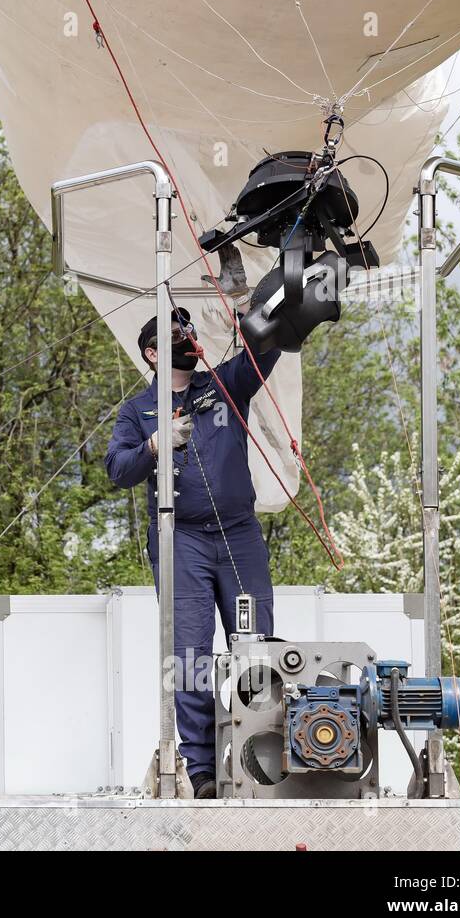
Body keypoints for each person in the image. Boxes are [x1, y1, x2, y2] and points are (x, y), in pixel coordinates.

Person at [104, 309, 283, 798]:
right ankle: (202, 771)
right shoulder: (137, 409)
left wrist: (252, 312)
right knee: (190, 658)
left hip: (239, 534)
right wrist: (156, 446)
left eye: (189, 331)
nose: (187, 338)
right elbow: (117, 469)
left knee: (258, 646)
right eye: (173, 335)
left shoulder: (222, 384)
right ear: (153, 353)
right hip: (181, 538)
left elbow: (264, 354)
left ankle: (263, 760)